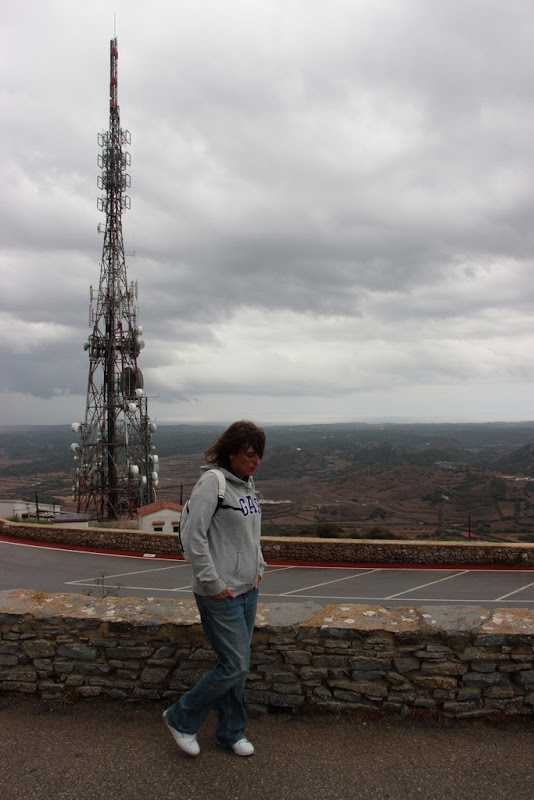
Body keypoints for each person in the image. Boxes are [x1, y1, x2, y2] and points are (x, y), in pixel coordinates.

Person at [163, 420, 266, 758]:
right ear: (231, 453)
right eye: (250, 454)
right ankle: (180, 717)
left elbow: (250, 534)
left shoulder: (248, 485)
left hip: (247, 590)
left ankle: (230, 732)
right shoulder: (213, 483)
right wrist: (213, 584)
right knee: (234, 665)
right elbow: (194, 537)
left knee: (237, 664)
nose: (256, 461)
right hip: (221, 593)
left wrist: (258, 567)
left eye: (259, 455)